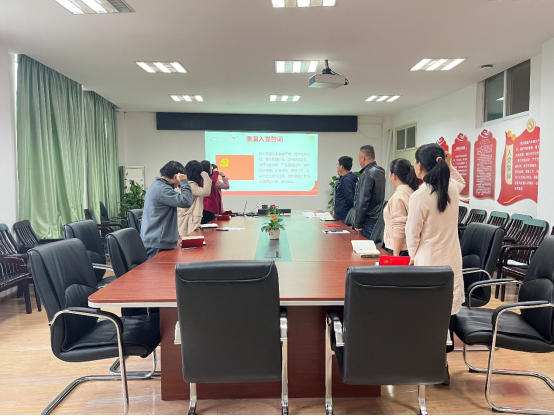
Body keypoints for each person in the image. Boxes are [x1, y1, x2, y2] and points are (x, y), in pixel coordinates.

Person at [405, 144, 466, 385]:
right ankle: (441, 365)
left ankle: (424, 364)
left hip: (428, 262)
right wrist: (448, 162)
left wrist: (412, 256)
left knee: (426, 316)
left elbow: (413, 234)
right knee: (445, 315)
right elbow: (460, 180)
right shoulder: (453, 189)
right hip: (451, 261)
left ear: (419, 166)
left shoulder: (419, 196)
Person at [141, 161, 193, 259]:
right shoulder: (162, 189)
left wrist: (174, 234)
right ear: (175, 177)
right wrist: (184, 182)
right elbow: (186, 201)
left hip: (157, 240)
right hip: (157, 243)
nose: (179, 183)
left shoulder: (159, 186)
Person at [383, 159, 420, 256]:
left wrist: (396, 255)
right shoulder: (411, 191)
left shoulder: (399, 196)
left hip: (399, 249)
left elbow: (399, 227)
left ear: (393, 176)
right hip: (408, 248)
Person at [353, 145, 386, 239]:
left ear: (363, 158)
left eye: (359, 158)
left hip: (367, 221)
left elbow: (363, 200)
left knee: (363, 247)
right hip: (377, 219)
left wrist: (357, 223)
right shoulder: (380, 171)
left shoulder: (367, 174)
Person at [177, 161, 212, 237]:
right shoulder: (190, 185)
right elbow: (206, 191)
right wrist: (206, 176)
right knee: (188, 237)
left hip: (188, 217)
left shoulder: (188, 184)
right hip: (188, 218)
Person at [333, 156, 358, 223]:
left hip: (344, 215)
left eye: (338, 165)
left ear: (342, 166)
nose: (338, 167)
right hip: (340, 213)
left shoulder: (346, 180)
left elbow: (349, 198)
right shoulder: (343, 178)